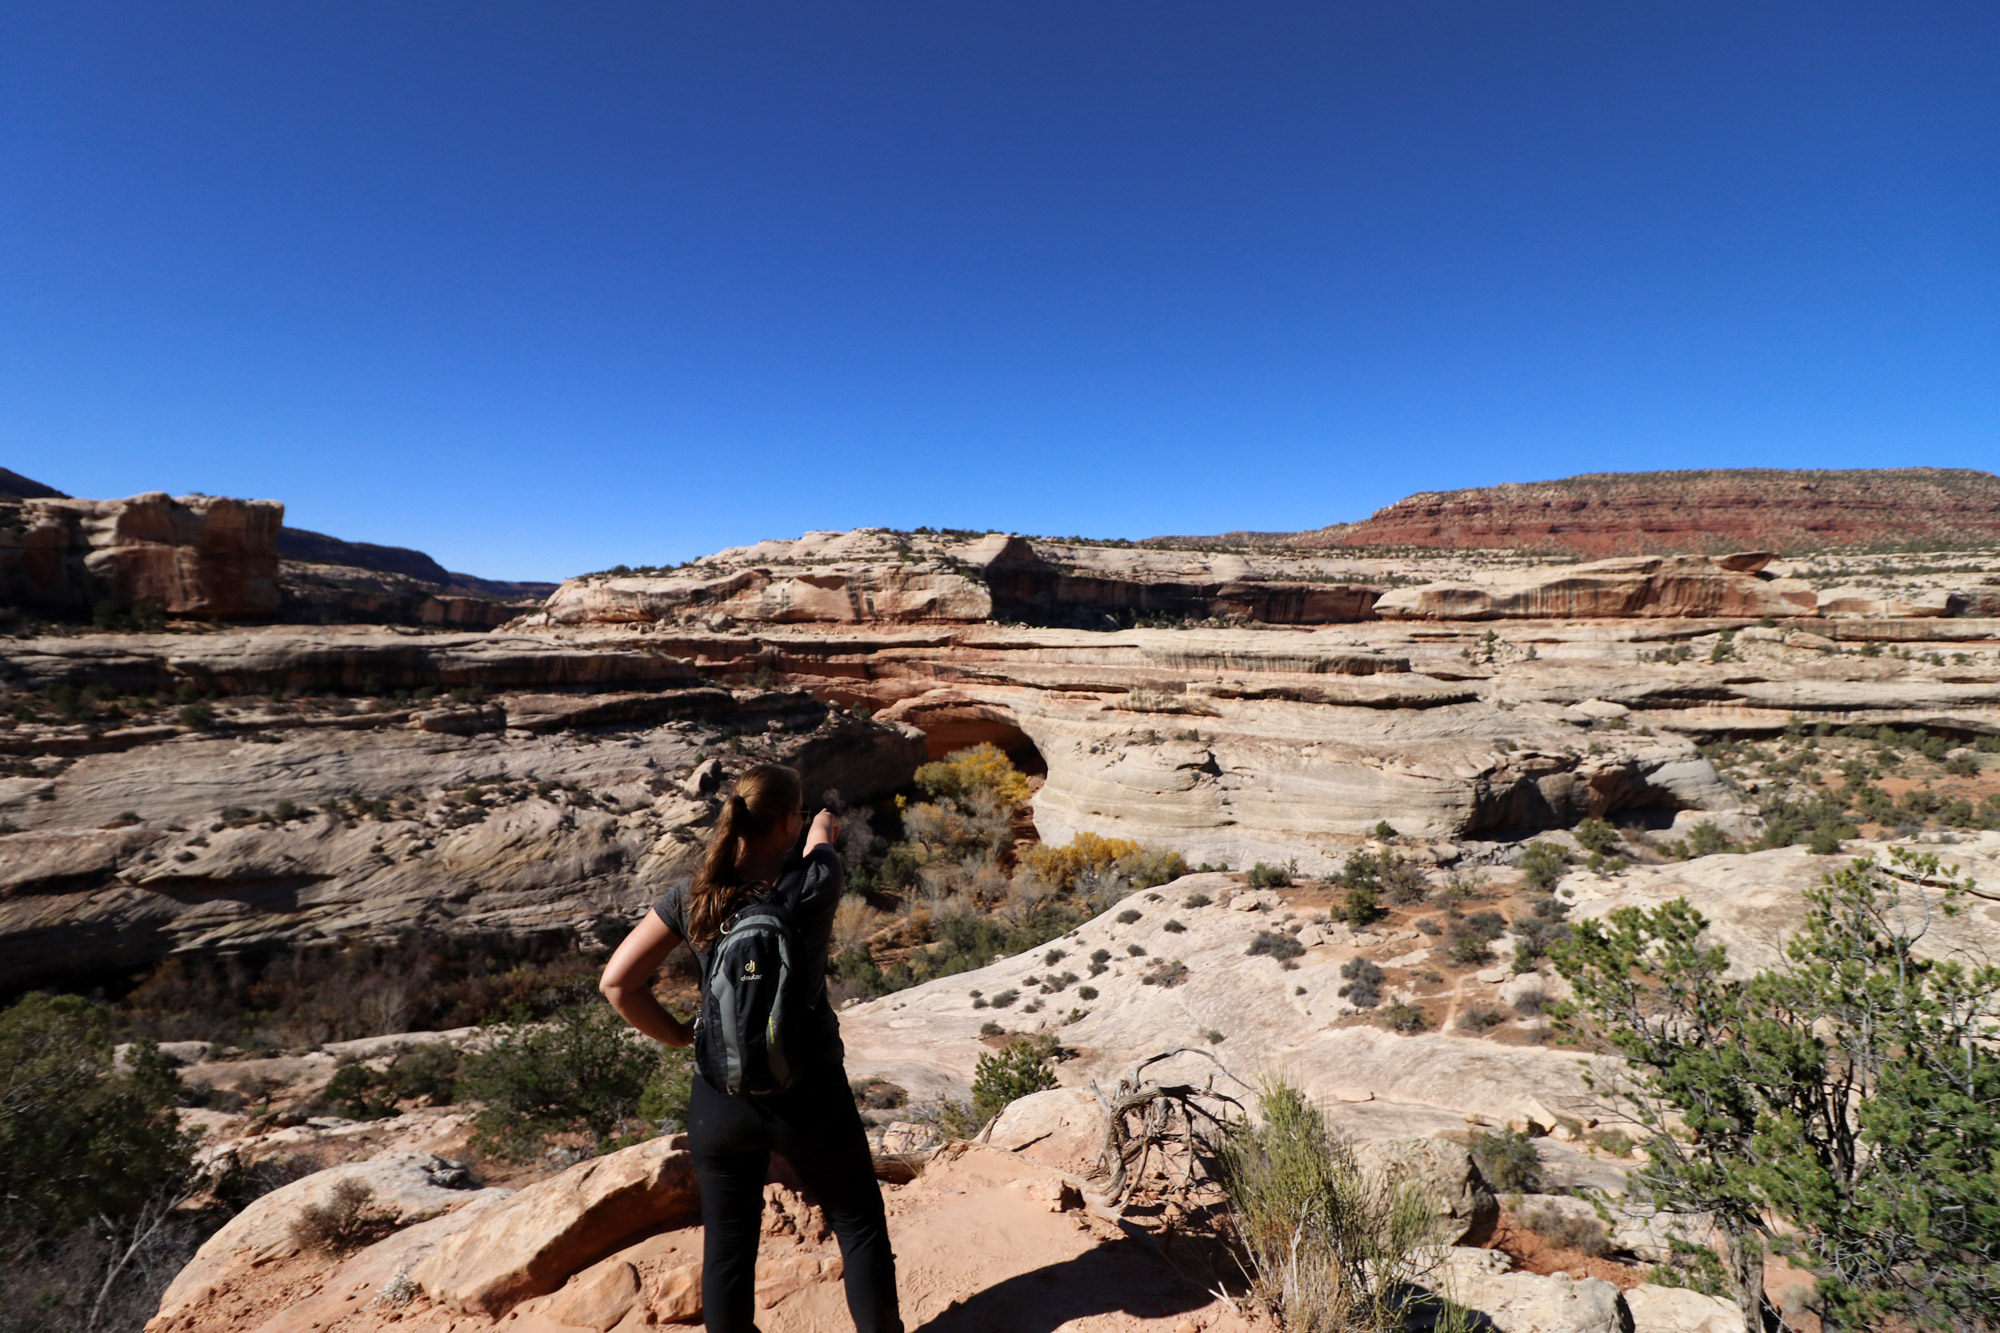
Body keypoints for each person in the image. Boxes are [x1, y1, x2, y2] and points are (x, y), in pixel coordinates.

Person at [599, 763, 902, 1333]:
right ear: (787, 820)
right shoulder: (815, 881)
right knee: (858, 1225)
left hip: (721, 1100)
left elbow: (617, 983)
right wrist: (822, 824)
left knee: (729, 1247)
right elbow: (819, 843)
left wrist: (684, 1036)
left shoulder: (694, 894)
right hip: (810, 1097)